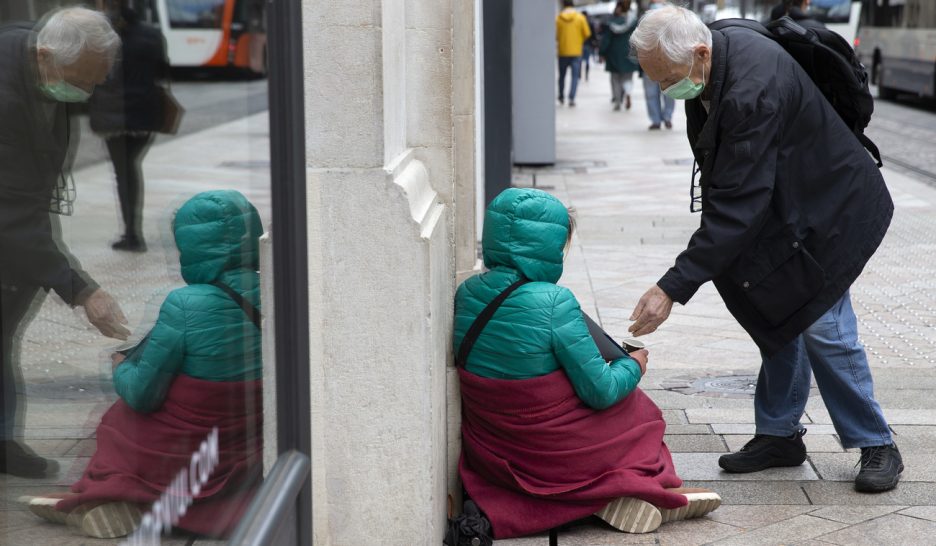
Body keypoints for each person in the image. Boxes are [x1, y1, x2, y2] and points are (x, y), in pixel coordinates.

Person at [628, 5, 902, 493]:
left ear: (699, 52)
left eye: (668, 79)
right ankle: (779, 435)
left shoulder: (750, 91)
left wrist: (670, 288)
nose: (665, 91)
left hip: (829, 209)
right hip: (790, 200)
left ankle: (877, 442)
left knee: (824, 324)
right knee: (779, 312)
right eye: (657, 81)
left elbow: (738, 206)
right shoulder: (714, 55)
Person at [454, 188, 720, 539]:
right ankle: (622, 489)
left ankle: (604, 496)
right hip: (549, 452)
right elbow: (601, 391)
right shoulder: (554, 301)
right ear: (548, 247)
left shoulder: (467, 291)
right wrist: (634, 365)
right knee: (640, 412)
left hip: (497, 447)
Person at [20, 190, 264, 539]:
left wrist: (121, 366)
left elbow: (143, 393)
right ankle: (124, 504)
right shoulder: (277, 286)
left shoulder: (184, 303)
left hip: (193, 439)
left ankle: (106, 497)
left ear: (191, 248)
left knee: (118, 421)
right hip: (246, 433)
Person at [0, 7, 130, 480]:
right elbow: (8, 216)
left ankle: (0, 443)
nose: (88, 93)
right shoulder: (5, 99)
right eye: (83, 80)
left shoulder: (31, 54)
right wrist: (81, 290)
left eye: (95, 82)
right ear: (46, 55)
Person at [90, 1, 171, 252]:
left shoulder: (104, 37)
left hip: (115, 116)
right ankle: (132, 232)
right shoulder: (151, 33)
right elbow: (164, 71)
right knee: (130, 169)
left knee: (124, 172)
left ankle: (132, 234)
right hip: (146, 114)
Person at [599, 1, 639, 111]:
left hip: (614, 54)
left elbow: (606, 40)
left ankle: (617, 101)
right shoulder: (633, 22)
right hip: (629, 54)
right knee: (627, 78)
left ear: (620, 8)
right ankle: (628, 93)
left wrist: (602, 53)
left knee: (615, 79)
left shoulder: (612, 22)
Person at [556, 0, 591, 107]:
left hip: (562, 51)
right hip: (576, 51)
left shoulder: (558, 18)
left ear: (564, 5)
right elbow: (587, 33)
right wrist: (578, 40)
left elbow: (555, 35)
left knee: (562, 76)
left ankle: (561, 96)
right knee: (575, 76)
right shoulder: (580, 18)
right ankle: (571, 98)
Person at [580, 10, 598, 82]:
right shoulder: (590, 23)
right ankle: (586, 75)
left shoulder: (580, 23)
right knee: (587, 61)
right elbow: (593, 34)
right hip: (588, 44)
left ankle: (579, 75)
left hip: (580, 44)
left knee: (580, 61)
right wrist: (595, 42)